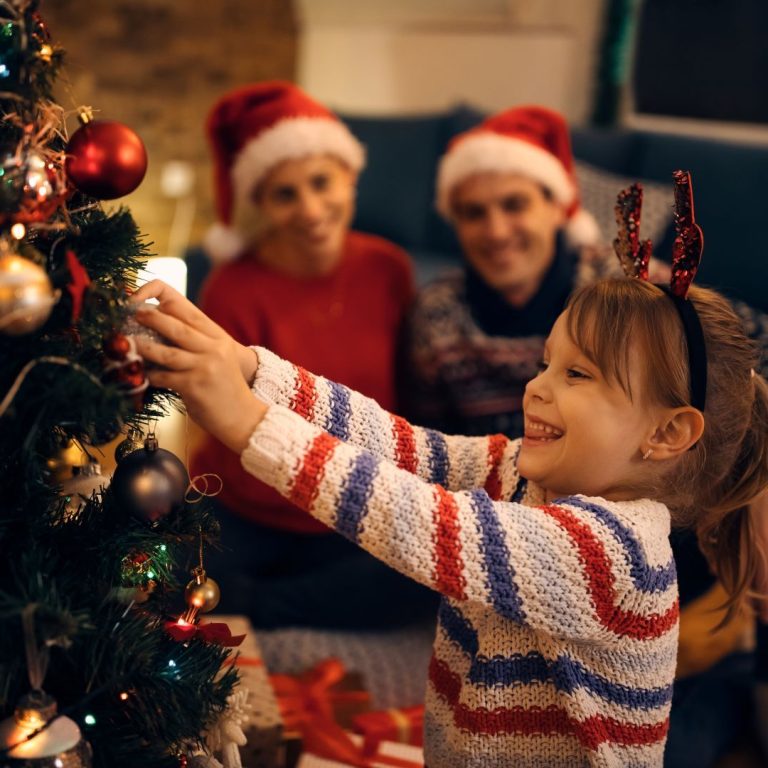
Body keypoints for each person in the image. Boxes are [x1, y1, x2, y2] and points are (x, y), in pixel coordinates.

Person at [131, 254, 767, 766]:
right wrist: (248, 368)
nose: (537, 386)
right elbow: (408, 450)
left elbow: (422, 519)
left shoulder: (614, 553)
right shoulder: (527, 473)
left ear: (667, 434)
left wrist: (247, 424)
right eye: (548, 362)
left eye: (579, 375)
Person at [402, 104, 768, 767]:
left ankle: (726, 675)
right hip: (527, 543)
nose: (497, 229)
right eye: (472, 212)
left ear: (558, 205)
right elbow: (431, 451)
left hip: (659, 571)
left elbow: (746, 357)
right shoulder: (438, 317)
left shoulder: (629, 299)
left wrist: (757, 489)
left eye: (515, 203)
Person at [190, 80, 436, 629]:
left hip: (351, 511)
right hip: (246, 508)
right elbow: (223, 416)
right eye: (284, 194)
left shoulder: (389, 269)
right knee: (169, 577)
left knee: (426, 580)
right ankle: (277, 598)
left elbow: (411, 397)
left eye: (322, 182)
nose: (310, 209)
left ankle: (259, 605)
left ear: (350, 177)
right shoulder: (232, 287)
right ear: (259, 205)